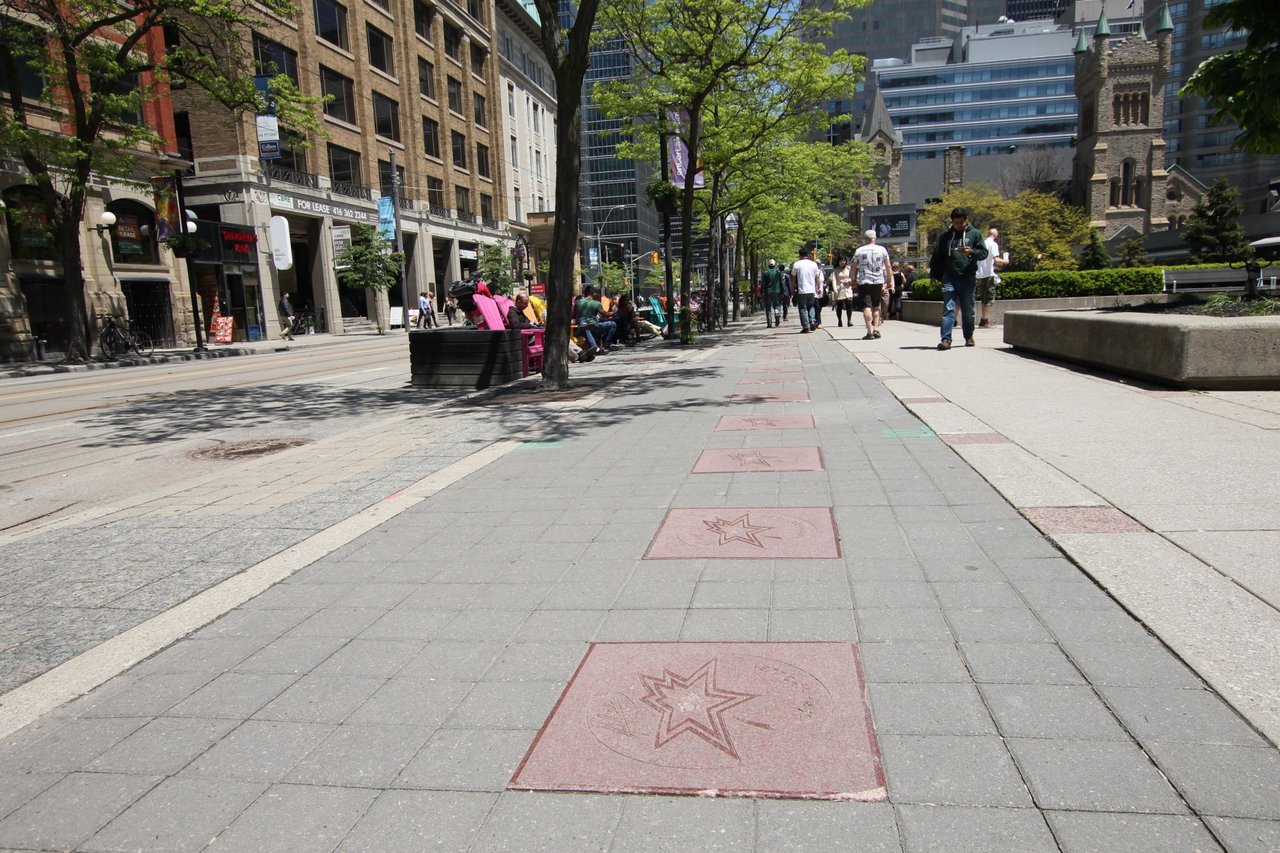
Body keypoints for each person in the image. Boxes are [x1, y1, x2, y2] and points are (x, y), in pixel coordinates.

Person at [929, 207, 989, 350]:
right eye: (956, 223)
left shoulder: (974, 234)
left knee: (968, 309)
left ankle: (968, 336)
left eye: (961, 222)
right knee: (948, 308)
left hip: (967, 277)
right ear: (952, 221)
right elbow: (937, 256)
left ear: (966, 220)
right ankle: (946, 339)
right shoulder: (946, 236)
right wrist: (934, 274)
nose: (959, 225)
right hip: (949, 277)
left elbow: (984, 253)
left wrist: (972, 251)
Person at [853, 229, 892, 340]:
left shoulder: (859, 250)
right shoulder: (882, 250)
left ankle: (869, 331)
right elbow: (888, 266)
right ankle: (876, 329)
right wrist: (888, 280)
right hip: (878, 281)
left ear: (865, 239)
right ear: (874, 238)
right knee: (876, 305)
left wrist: (852, 279)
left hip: (864, 281)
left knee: (866, 306)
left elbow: (853, 266)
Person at [978, 227, 1009, 328]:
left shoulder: (981, 243)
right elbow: (996, 260)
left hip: (980, 274)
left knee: (983, 298)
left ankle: (983, 320)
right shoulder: (993, 244)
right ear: (996, 236)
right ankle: (984, 320)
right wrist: (1006, 260)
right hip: (989, 274)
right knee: (989, 299)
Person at [575, 285, 617, 355]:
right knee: (613, 324)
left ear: (584, 293)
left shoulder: (578, 302)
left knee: (585, 327)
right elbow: (605, 314)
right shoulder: (596, 303)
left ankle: (596, 348)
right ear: (593, 293)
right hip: (594, 327)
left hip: (581, 327)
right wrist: (614, 313)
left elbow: (574, 314)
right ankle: (606, 346)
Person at [791, 245, 822, 334]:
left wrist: (792, 288)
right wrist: (819, 287)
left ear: (799, 255)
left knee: (803, 308)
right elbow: (817, 277)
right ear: (808, 255)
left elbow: (793, 278)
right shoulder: (813, 264)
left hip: (802, 290)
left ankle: (806, 327)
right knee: (811, 306)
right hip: (812, 290)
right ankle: (812, 320)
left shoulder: (797, 264)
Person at [761, 259, 785, 328]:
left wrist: (761, 291)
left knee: (768, 308)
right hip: (776, 291)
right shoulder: (778, 272)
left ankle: (769, 323)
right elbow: (781, 283)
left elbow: (763, 284)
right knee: (776, 305)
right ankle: (777, 314)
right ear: (774, 265)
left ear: (768, 265)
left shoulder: (765, 273)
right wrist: (782, 292)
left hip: (767, 292)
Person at [832, 256, 855, 327]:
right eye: (841, 261)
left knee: (849, 305)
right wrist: (835, 289)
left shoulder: (849, 268)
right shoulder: (835, 270)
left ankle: (849, 320)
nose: (842, 262)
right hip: (839, 289)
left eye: (844, 261)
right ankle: (839, 320)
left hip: (847, 289)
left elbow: (852, 277)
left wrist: (848, 280)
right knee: (839, 307)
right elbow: (834, 280)